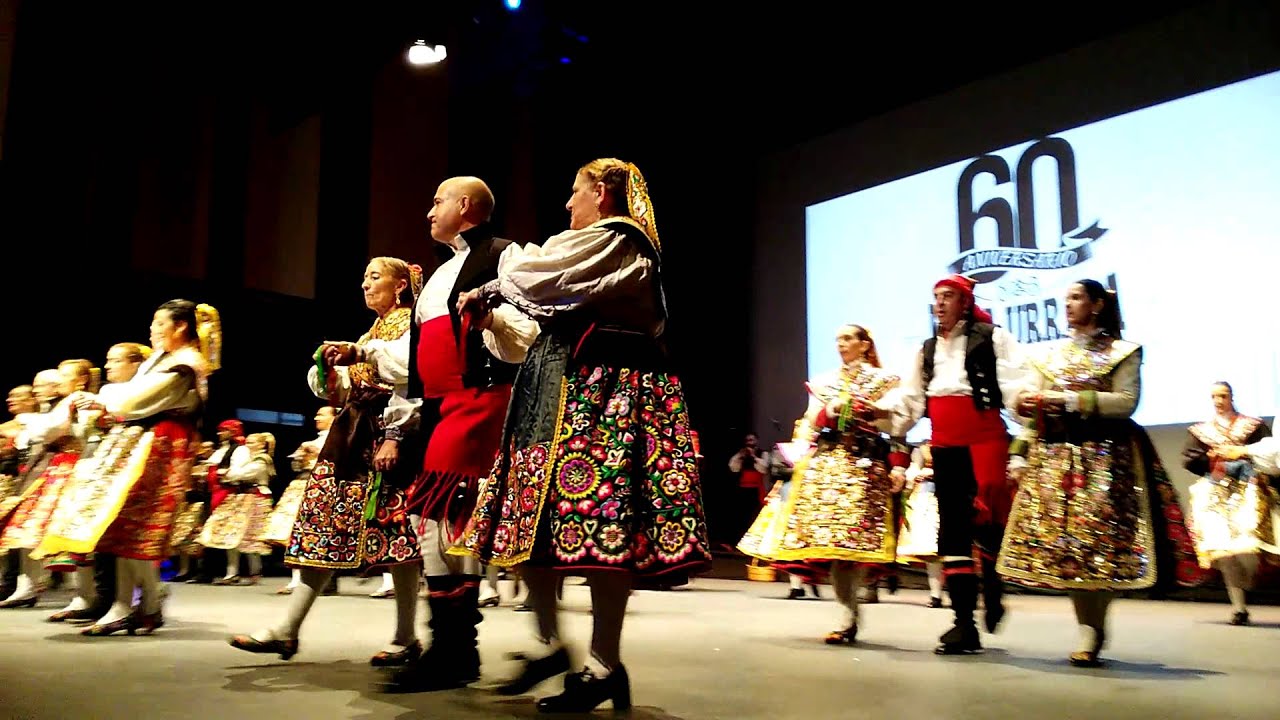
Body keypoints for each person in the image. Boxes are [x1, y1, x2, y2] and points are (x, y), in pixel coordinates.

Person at [451, 158, 711, 713]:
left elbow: (539, 274)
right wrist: (494, 301)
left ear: (602, 191)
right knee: (535, 526)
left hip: (603, 393)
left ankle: (604, 663)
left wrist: (494, 278)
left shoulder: (620, 239)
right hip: (556, 388)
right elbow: (541, 300)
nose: (568, 203)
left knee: (598, 528)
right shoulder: (593, 246)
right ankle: (551, 645)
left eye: (575, 191)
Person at [996, 280, 1205, 666]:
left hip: (1105, 455)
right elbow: (1035, 412)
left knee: (1099, 541)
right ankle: (1086, 628)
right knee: (1069, 546)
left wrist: (1069, 400)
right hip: (1056, 458)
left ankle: (1095, 626)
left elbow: (1126, 402)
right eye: (1066, 299)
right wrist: (1019, 452)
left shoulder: (1122, 351)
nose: (1068, 305)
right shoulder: (1050, 355)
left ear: (1096, 305)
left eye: (1076, 298)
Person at [385, 176, 538, 692]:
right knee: (434, 519)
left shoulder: (503, 255)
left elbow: (528, 332)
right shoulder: (439, 273)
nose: (429, 212)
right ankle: (452, 648)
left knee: (444, 513)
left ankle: (453, 649)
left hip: (480, 398)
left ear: (465, 205)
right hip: (439, 406)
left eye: (438, 201)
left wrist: (491, 319)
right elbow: (418, 354)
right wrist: (362, 355)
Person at [229, 257, 424, 662]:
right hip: (351, 436)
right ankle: (287, 628)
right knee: (327, 527)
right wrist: (333, 376)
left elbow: (412, 381)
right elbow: (350, 386)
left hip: (383, 436)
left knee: (396, 533)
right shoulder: (373, 330)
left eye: (374, 277)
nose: (365, 285)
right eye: (364, 277)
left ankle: (406, 635)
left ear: (400, 285)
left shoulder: (410, 326)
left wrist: (395, 436)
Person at [38, 300, 219, 636]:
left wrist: (101, 399)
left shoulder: (185, 363)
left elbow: (138, 400)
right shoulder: (165, 360)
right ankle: (138, 605)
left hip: (159, 444)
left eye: (159, 322)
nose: (152, 329)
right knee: (123, 525)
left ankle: (134, 605)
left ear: (180, 326)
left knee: (134, 524)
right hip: (142, 440)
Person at [738, 323, 907, 644]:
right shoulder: (825, 382)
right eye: (838, 339)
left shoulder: (884, 380)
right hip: (827, 469)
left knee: (853, 545)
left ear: (864, 344)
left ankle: (852, 608)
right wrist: (826, 414)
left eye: (847, 338)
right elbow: (810, 424)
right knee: (833, 546)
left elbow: (897, 426)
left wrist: (897, 463)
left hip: (865, 469)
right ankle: (848, 615)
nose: (841, 344)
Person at [895, 274, 1027, 655]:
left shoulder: (993, 338)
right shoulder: (926, 350)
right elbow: (910, 401)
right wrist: (883, 417)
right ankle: (963, 622)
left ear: (965, 302)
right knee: (952, 530)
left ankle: (994, 587)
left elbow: (1017, 386)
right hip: (946, 446)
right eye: (936, 297)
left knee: (988, 520)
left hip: (986, 441)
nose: (939, 303)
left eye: (948, 296)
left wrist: (1027, 416)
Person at [1183, 381, 1276, 625]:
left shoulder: (1252, 425)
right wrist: (1211, 460)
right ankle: (1239, 607)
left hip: (1250, 491)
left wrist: (1244, 455)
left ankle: (1248, 585)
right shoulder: (1202, 431)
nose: (1219, 401)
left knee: (1249, 545)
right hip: (1215, 493)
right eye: (1214, 396)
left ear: (1231, 397)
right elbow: (1190, 459)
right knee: (1223, 550)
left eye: (1223, 396)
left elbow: (1270, 454)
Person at [896, 442, 946, 608]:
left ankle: (954, 594)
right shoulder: (922, 448)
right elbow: (913, 470)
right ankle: (936, 594)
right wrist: (915, 476)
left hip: (949, 499)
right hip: (926, 500)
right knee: (931, 551)